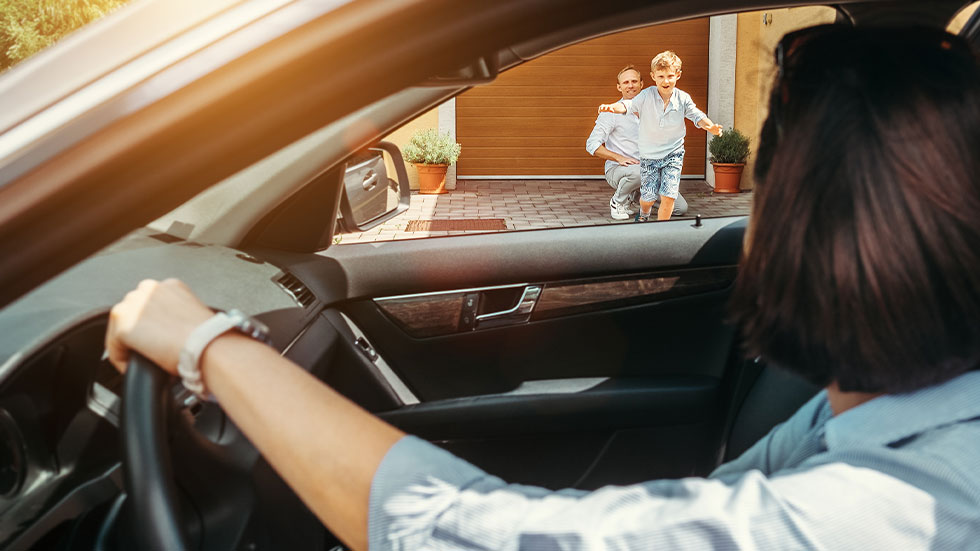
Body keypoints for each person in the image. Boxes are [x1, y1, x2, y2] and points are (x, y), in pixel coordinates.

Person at [107, 25, 980, 550]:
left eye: (766, 183)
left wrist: (205, 344)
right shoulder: (876, 416)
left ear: (803, 222)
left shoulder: (904, 506)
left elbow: (477, 536)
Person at [599, 51, 722, 221]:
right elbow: (628, 105)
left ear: (678, 75)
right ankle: (642, 213)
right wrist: (613, 108)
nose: (666, 81)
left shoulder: (683, 98)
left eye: (670, 76)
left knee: (669, 196)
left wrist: (711, 127)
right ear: (653, 77)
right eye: (661, 76)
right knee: (648, 198)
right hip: (649, 157)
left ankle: (660, 227)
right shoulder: (646, 95)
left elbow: (697, 115)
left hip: (673, 155)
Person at [586, 65, 688, 220]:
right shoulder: (611, 114)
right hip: (619, 170)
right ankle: (617, 202)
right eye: (626, 82)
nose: (630, 85)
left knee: (680, 208)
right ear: (619, 87)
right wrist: (618, 158)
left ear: (641, 84)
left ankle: (634, 199)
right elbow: (592, 145)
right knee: (639, 172)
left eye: (634, 81)